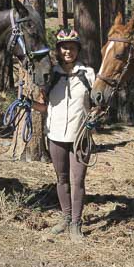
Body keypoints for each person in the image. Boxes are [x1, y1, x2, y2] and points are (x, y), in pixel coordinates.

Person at [32, 28, 95, 242]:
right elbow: (46, 107)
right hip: (56, 135)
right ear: (58, 50)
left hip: (80, 138)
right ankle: (66, 218)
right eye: (64, 47)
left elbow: (97, 105)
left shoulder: (88, 74)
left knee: (78, 181)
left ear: (78, 50)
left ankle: (76, 223)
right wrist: (29, 104)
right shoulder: (52, 75)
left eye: (72, 47)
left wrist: (94, 120)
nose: (68, 51)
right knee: (61, 179)